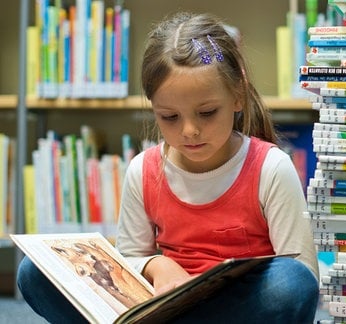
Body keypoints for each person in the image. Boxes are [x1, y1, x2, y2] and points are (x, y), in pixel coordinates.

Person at [17, 11, 319, 323]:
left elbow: (304, 275)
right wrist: (156, 266)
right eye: (170, 117)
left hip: (234, 312)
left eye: (207, 112)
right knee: (35, 272)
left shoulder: (270, 167)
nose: (189, 130)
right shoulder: (144, 170)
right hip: (162, 310)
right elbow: (127, 263)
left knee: (289, 281)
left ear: (237, 97)